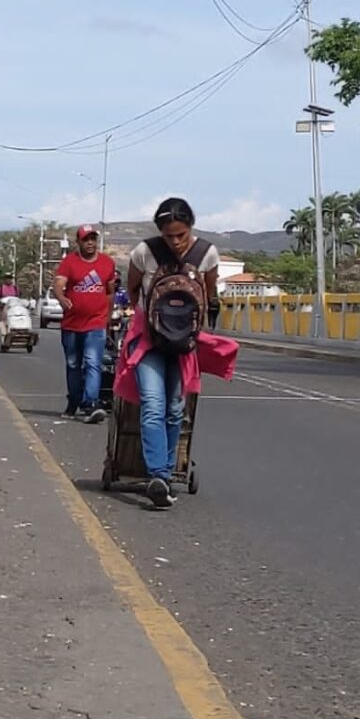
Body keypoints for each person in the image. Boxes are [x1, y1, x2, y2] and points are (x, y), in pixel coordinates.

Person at [126, 197, 220, 508]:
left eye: (181, 234)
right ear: (160, 232)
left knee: (175, 409)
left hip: (184, 343)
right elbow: (133, 290)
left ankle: (162, 475)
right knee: (153, 405)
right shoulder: (144, 252)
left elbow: (209, 294)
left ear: (190, 227)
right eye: (169, 235)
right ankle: (160, 476)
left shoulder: (206, 254)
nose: (176, 241)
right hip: (149, 341)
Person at [53, 225, 116, 422]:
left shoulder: (107, 263)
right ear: (78, 242)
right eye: (85, 239)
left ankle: (91, 404)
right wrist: (62, 298)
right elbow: (58, 284)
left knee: (92, 363)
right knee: (73, 364)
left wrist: (108, 317)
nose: (90, 243)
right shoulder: (69, 262)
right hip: (72, 324)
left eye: (93, 239)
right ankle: (74, 401)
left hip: (96, 323)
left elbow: (109, 291)